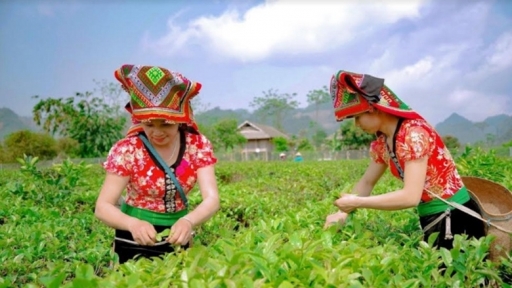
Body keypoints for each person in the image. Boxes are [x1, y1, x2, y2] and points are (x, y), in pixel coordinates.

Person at [323, 70, 486, 251]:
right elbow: (367, 182)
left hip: (454, 217)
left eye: (357, 117)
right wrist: (342, 214)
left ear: (373, 108)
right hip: (431, 217)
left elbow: (410, 197)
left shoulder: (413, 134)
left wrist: (357, 202)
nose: (357, 124)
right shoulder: (383, 142)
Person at [94, 64, 220, 264]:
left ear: (181, 119)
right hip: (132, 238)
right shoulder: (128, 150)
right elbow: (103, 206)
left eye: (166, 124)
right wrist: (133, 224)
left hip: (179, 235)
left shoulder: (197, 145)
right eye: (149, 124)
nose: (157, 132)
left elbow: (212, 198)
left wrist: (188, 221)